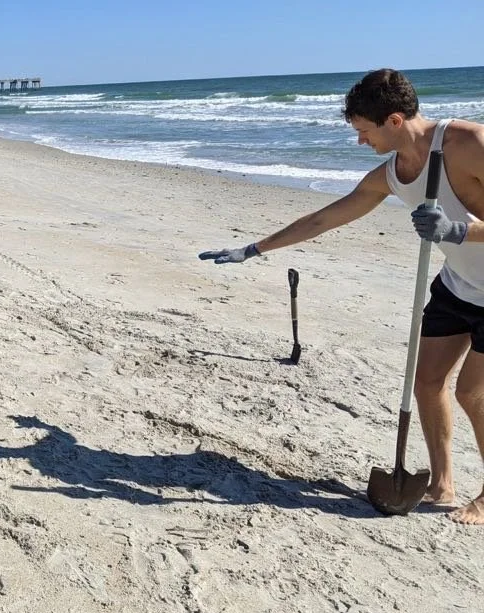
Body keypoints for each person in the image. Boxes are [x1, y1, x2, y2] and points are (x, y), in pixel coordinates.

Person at [198, 68, 484, 524]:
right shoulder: (393, 173)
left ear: (393, 120)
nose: (360, 143)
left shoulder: (469, 144)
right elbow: (327, 217)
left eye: (364, 132)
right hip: (459, 286)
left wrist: (458, 229)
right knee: (427, 384)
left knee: (473, 392)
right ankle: (442, 482)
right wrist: (254, 248)